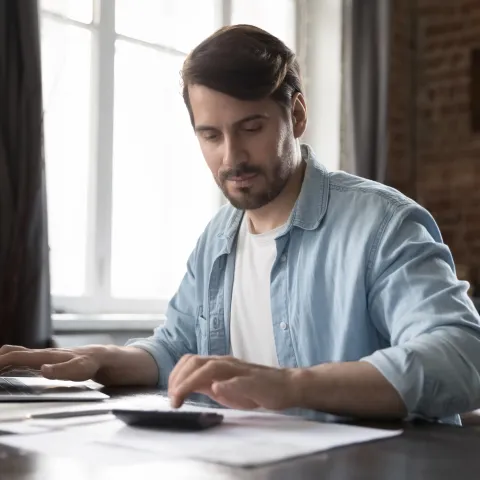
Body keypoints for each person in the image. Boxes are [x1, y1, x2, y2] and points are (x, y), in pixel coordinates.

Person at [2, 25, 480, 423]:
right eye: (211, 135)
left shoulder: (382, 223)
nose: (231, 157)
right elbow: (175, 350)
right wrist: (103, 359)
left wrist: (292, 385)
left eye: (250, 128)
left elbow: (462, 356)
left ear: (295, 114)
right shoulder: (216, 240)